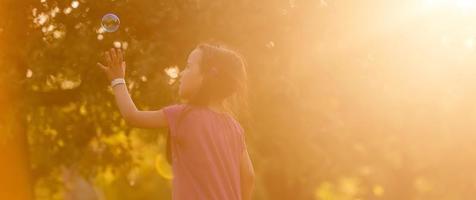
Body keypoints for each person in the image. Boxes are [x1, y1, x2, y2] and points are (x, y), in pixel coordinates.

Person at [97, 42, 255, 200]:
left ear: (206, 76)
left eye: (188, 66)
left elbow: (132, 116)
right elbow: (248, 176)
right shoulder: (235, 128)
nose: (181, 73)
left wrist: (118, 80)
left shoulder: (184, 116)